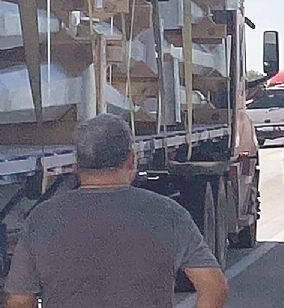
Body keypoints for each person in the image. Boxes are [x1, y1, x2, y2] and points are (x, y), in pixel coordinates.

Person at [4, 114, 228, 308]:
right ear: (131, 160)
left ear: (77, 164)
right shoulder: (168, 214)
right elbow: (213, 287)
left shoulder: (43, 219)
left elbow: (19, 300)